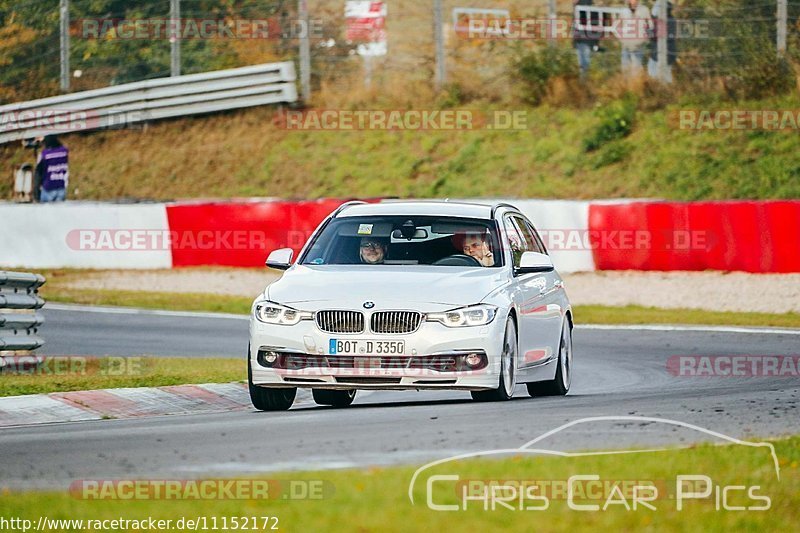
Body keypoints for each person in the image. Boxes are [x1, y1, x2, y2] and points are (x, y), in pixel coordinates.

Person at [619, 0, 652, 77]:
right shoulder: (624, 11)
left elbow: (650, 25)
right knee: (625, 66)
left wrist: (645, 39)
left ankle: (636, 85)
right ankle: (626, 86)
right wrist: (622, 39)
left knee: (637, 67)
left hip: (639, 44)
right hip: (626, 44)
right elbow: (619, 26)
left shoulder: (644, 10)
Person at [647, 0, 676, 83]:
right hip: (669, 53)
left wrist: (648, 30)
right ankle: (667, 91)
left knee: (653, 72)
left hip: (661, 53)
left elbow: (654, 36)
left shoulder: (663, 21)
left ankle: (660, 90)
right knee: (666, 74)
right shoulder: (671, 19)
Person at [35, 135, 69, 202]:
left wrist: (36, 192)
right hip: (61, 187)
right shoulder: (64, 151)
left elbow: (38, 172)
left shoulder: (44, 154)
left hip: (48, 188)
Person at [573, 0, 600, 78]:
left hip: (585, 40)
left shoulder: (582, 6)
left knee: (584, 65)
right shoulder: (579, 7)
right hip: (582, 40)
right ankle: (584, 83)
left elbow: (595, 25)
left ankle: (584, 83)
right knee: (583, 65)